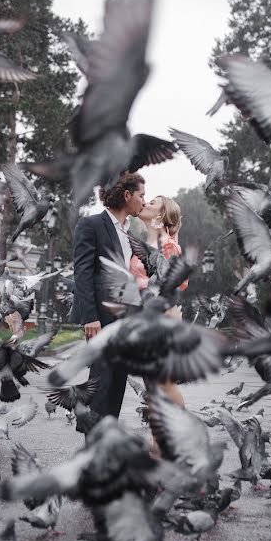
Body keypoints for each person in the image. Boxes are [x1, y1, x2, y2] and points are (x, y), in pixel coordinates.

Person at [70, 172, 146, 421]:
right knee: (101, 386)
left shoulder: (130, 234)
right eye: (141, 195)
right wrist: (90, 317)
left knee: (117, 387)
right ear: (127, 195)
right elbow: (82, 273)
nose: (143, 201)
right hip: (101, 321)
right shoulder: (91, 225)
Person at [130, 194, 187, 412]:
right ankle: (159, 443)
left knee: (163, 384)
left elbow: (173, 286)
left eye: (152, 203)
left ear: (161, 214)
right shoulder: (147, 244)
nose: (145, 203)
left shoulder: (168, 246)